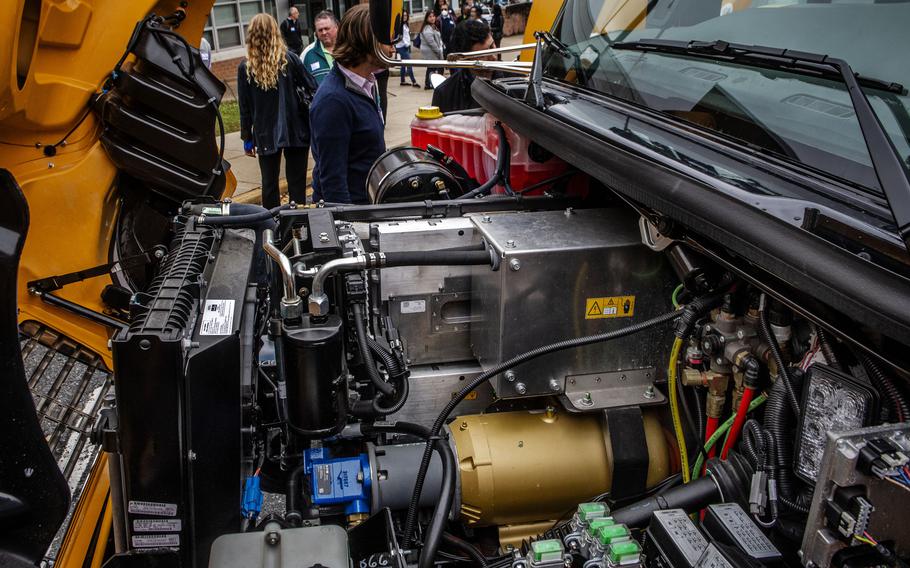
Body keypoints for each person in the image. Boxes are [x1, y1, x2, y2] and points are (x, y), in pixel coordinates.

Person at [309, 5, 388, 204]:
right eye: (386, 40)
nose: (393, 47)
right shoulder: (333, 100)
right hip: (353, 213)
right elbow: (333, 181)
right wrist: (349, 225)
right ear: (366, 41)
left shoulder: (366, 82)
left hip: (369, 202)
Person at [238, 13, 316, 208]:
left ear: (252, 35)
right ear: (276, 32)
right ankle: (297, 226)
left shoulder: (246, 67)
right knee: (297, 183)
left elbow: (245, 107)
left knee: (269, 184)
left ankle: (271, 226)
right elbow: (312, 87)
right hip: (296, 127)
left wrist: (247, 138)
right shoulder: (290, 59)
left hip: (265, 132)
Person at [431, 19, 495, 112]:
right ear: (463, 59)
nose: (493, 57)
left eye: (492, 46)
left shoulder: (515, 79)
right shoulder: (445, 93)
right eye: (483, 54)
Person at [301, 10, 338, 86]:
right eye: (320, 30)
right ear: (316, 32)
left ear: (336, 28)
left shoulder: (349, 49)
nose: (324, 33)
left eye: (327, 28)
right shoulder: (308, 54)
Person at [419, 11, 444, 90]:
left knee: (431, 68)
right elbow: (431, 42)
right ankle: (429, 84)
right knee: (432, 68)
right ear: (426, 18)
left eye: (433, 16)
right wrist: (438, 51)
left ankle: (429, 83)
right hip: (430, 52)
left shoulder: (433, 26)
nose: (432, 18)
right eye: (430, 16)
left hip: (433, 51)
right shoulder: (427, 28)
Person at [394, 10, 419, 87]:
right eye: (403, 15)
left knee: (403, 64)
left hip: (406, 46)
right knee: (409, 63)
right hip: (401, 46)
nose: (404, 17)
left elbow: (407, 35)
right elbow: (400, 37)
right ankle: (414, 81)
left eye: (406, 15)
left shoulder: (406, 24)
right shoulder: (399, 25)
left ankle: (402, 81)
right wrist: (406, 44)